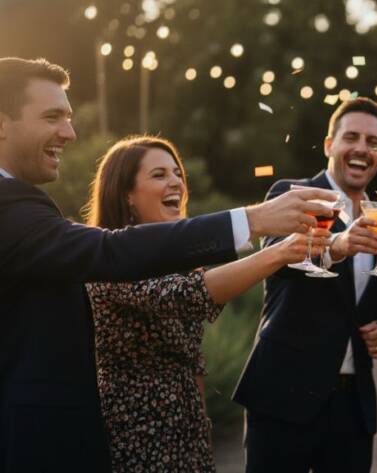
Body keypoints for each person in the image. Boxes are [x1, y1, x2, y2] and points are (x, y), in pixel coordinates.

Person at [0, 57, 336, 472]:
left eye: (68, 118)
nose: (69, 132)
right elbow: (130, 262)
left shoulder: (24, 206)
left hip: (180, 434)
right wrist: (255, 222)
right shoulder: (14, 208)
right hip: (122, 440)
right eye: (53, 117)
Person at [82, 136, 331, 472]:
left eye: (177, 173)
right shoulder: (107, 260)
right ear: (126, 194)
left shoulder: (178, 261)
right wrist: (279, 252)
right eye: (159, 175)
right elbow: (187, 296)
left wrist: (202, 435)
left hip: (187, 429)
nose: (176, 182)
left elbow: (193, 361)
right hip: (136, 432)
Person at [233, 97, 377, 473]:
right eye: (351, 137)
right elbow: (278, 256)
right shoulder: (291, 194)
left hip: (353, 410)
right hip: (283, 395)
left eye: (372, 142)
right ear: (329, 145)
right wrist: (337, 246)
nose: (361, 148)